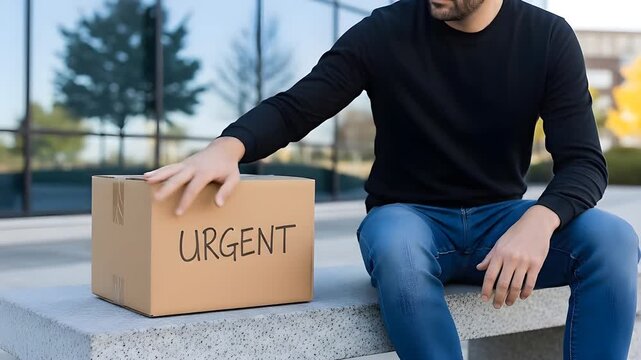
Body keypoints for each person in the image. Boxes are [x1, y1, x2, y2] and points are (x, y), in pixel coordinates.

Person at [143, 0, 641, 358]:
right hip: (409, 218)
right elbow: (298, 106)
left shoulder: (548, 38)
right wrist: (226, 148)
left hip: (501, 221)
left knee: (613, 238)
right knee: (398, 247)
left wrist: (539, 222)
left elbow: (583, 162)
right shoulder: (385, 30)